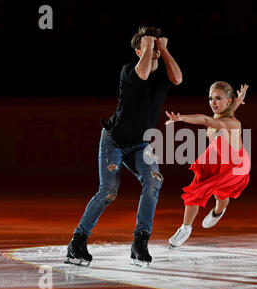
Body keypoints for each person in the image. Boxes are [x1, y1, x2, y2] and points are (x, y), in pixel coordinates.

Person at [65, 26, 182, 267]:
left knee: (153, 182)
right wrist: (149, 45)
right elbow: (142, 74)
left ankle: (140, 242)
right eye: (148, 46)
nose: (154, 49)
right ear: (139, 51)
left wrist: (164, 49)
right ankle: (77, 241)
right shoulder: (129, 71)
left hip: (140, 145)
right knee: (109, 191)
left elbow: (178, 78)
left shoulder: (161, 78)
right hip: (114, 141)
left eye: (155, 46)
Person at [166, 81, 250, 248]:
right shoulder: (226, 110)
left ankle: (218, 211)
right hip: (214, 158)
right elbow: (231, 107)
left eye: (218, 98)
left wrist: (181, 118)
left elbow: (205, 120)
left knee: (221, 195)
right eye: (211, 98)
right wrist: (238, 99)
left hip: (234, 167)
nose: (213, 102)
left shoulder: (233, 123)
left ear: (227, 101)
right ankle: (185, 228)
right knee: (194, 191)